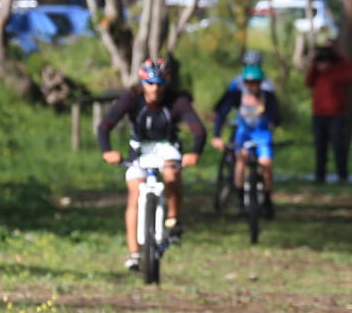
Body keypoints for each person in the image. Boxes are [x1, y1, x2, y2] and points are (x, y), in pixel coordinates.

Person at [97, 58, 206, 268]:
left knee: (172, 174)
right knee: (135, 194)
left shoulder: (177, 101)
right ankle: (134, 253)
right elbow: (105, 125)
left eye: (159, 84)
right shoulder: (131, 99)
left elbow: (198, 130)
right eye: (150, 83)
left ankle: (173, 219)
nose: (154, 89)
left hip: (166, 146)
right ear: (142, 82)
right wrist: (107, 151)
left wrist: (194, 153)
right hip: (139, 149)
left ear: (165, 82)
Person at [212, 63, 280, 218]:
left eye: (255, 82)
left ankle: (268, 201)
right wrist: (217, 135)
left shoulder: (267, 97)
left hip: (262, 135)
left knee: (266, 165)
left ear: (260, 83)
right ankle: (241, 200)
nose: (252, 86)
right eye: (249, 82)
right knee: (240, 160)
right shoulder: (237, 95)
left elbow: (276, 114)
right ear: (244, 83)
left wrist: (274, 122)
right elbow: (222, 112)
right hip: (243, 135)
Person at [304, 40, 352, 183]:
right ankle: (320, 176)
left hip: (337, 114)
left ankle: (342, 175)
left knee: (338, 145)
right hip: (319, 113)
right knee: (320, 146)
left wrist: (329, 69)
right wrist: (315, 66)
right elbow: (308, 82)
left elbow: (349, 78)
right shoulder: (317, 65)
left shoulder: (343, 64)